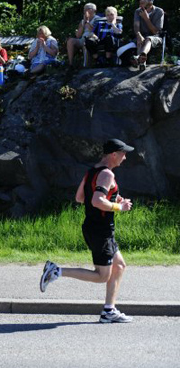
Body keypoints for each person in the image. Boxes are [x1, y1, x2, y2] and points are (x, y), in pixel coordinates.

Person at [40, 138, 135, 324]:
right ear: (113, 154)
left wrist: (113, 199)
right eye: (123, 153)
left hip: (95, 227)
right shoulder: (107, 174)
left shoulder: (92, 172)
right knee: (102, 276)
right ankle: (56, 271)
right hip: (100, 230)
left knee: (119, 266)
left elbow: (80, 197)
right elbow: (96, 201)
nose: (125, 157)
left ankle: (109, 311)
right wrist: (119, 207)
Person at [131, 0, 164, 69]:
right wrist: (138, 34)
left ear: (150, 1)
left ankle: (140, 57)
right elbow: (136, 25)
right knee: (140, 39)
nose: (140, 0)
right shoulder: (138, 11)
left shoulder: (159, 11)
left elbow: (155, 32)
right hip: (142, 36)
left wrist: (146, 18)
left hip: (155, 37)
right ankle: (142, 63)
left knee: (148, 39)